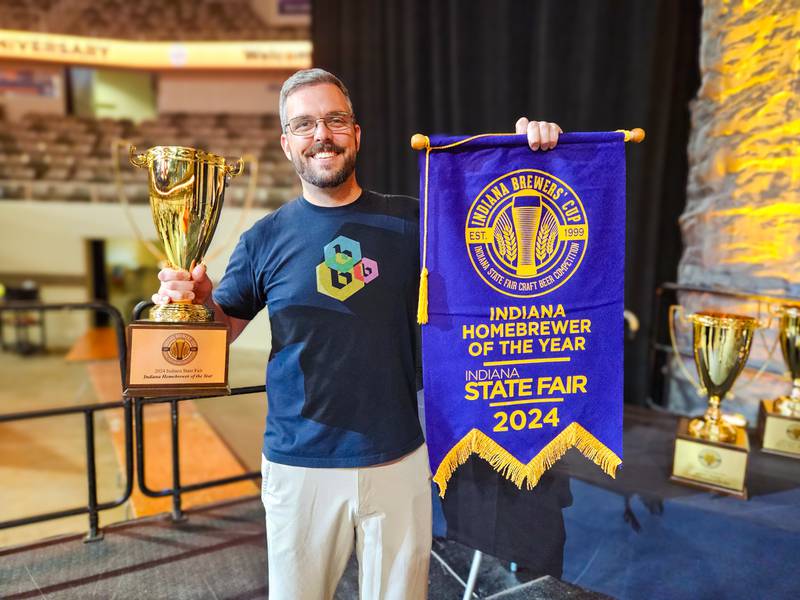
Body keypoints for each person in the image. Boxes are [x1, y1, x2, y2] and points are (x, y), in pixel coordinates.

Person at [152, 68, 560, 600]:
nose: (321, 134)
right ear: (286, 143)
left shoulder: (416, 223)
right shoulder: (263, 239)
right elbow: (223, 329)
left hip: (398, 455)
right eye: (304, 124)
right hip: (299, 464)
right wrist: (196, 305)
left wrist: (534, 157)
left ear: (356, 133)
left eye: (334, 119)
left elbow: (509, 247)